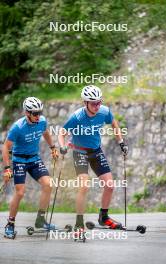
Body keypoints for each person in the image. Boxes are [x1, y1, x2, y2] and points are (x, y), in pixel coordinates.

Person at [58, 85, 128, 232]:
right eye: (94, 103)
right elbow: (62, 132)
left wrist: (121, 142)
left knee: (109, 186)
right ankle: (79, 222)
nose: (97, 106)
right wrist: (62, 146)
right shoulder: (77, 117)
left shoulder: (104, 111)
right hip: (80, 152)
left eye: (99, 102)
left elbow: (114, 123)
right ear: (85, 103)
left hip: (96, 151)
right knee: (84, 186)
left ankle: (104, 217)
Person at [2, 97, 59, 239]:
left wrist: (52, 147)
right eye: (35, 113)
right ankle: (10, 224)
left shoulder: (42, 121)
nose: (38, 116)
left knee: (48, 184)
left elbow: (45, 132)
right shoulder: (18, 127)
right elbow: (6, 147)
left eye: (40, 112)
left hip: (34, 158)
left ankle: (40, 220)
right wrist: (7, 168)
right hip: (19, 160)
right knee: (20, 192)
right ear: (27, 113)